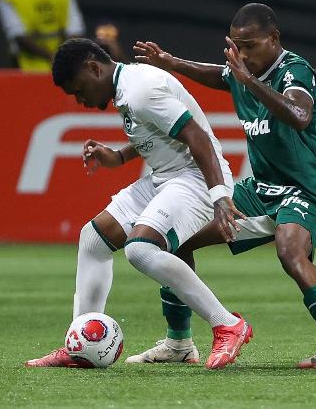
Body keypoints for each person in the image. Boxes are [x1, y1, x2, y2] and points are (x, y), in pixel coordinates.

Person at [130, 3, 316, 369]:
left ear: (274, 38)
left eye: (251, 45)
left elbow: (300, 116)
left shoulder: (294, 70)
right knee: (173, 242)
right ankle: (179, 343)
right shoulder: (241, 72)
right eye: (237, 46)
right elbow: (219, 74)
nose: (242, 55)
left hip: (303, 189)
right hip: (260, 191)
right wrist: (173, 63)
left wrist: (249, 82)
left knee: (290, 252)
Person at [24, 38, 252, 370]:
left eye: (78, 89)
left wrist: (219, 196)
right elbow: (155, 132)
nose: (80, 100)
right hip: (166, 176)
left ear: (93, 68)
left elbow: (197, 137)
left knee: (140, 250)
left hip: (196, 178)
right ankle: (78, 345)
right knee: (93, 238)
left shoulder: (141, 89)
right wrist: (117, 156)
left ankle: (227, 324)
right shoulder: (127, 87)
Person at [0, 0, 85, 72]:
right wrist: (62, 57)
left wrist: (49, 56)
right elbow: (75, 30)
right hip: (64, 71)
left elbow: (18, 35)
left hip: (27, 71)